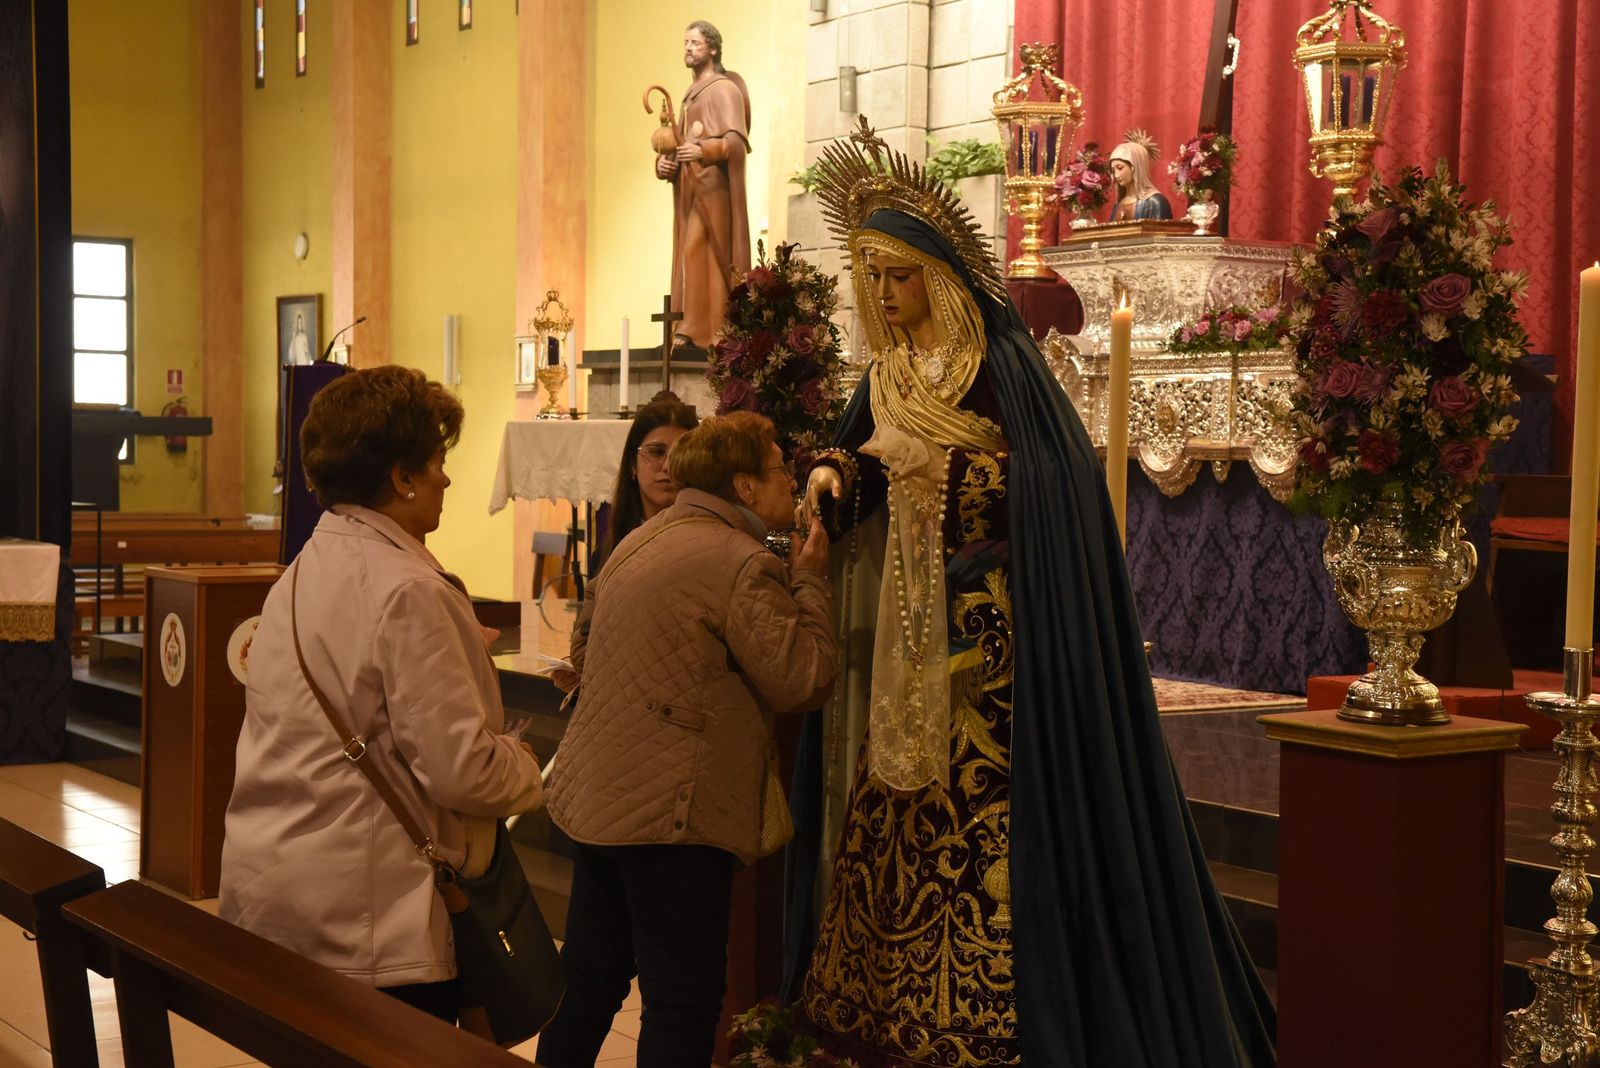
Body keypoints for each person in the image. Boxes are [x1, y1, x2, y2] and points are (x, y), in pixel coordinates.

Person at [785, 122, 1275, 1066]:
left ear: (940, 275)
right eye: (875, 279)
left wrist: (975, 502)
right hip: (901, 635)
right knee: (894, 806)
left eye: (900, 276)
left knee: (982, 813)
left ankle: (989, 1016)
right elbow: (854, 456)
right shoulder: (887, 375)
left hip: (992, 636)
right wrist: (833, 478)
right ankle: (879, 1009)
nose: (887, 297)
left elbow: (1053, 492)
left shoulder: (1003, 372)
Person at [219, 365, 544, 1024]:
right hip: (366, 921)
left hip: (278, 892)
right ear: (400, 477)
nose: (445, 479)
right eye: (436, 461)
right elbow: (464, 773)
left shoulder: (303, 570)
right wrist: (524, 762)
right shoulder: (410, 591)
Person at [536, 411, 837, 1068]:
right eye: (781, 467)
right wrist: (812, 577)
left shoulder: (641, 540)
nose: (792, 478)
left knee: (590, 982)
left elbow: (586, 649)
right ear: (746, 487)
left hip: (598, 802)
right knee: (682, 1001)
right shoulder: (740, 562)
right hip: (673, 820)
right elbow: (801, 680)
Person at [655, 20, 751, 350]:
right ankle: (689, 325)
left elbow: (736, 143)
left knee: (707, 255)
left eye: (695, 42)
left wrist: (704, 149)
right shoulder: (688, 97)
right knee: (689, 254)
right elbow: (678, 141)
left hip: (715, 192)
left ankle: (715, 328)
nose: (688, 48)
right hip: (689, 190)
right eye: (685, 43)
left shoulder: (724, 89)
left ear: (712, 48)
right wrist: (665, 164)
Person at [1108, 129, 1173, 222]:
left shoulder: (1155, 202)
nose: (1116, 175)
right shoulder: (1118, 205)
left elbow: (1161, 234)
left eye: (1120, 168)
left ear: (1135, 167)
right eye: (1113, 170)